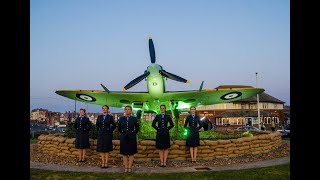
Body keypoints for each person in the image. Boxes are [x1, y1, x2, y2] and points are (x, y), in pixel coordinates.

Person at [117, 105, 139, 172]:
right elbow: (119, 128)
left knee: (131, 153)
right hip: (123, 137)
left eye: (128, 109)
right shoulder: (121, 119)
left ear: (131, 110)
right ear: (124, 110)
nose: (127, 110)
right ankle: (126, 167)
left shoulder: (134, 119)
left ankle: (130, 167)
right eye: (126, 109)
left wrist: (133, 133)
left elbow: (137, 128)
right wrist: (123, 133)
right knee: (124, 153)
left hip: (132, 137)